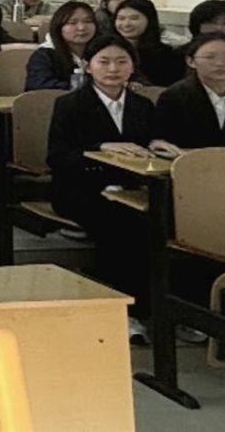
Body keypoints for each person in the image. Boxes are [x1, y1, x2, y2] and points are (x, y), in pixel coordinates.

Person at [46, 35, 181, 314]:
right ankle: (128, 309)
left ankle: (168, 307)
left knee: (170, 219)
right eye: (104, 62)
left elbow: (148, 141)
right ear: (87, 65)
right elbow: (58, 157)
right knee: (123, 225)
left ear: (132, 66)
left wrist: (157, 143)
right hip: (82, 189)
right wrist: (100, 147)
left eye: (121, 62)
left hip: (133, 189)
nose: (113, 69)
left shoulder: (143, 105)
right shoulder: (69, 104)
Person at [26, 2, 99, 91]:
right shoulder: (44, 55)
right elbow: (40, 86)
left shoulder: (101, 51)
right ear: (59, 27)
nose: (81, 28)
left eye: (88, 21)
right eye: (72, 23)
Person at [111, 0, 184, 86]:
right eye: (121, 18)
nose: (126, 24)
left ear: (149, 20)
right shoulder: (107, 49)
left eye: (134, 18)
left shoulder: (167, 56)